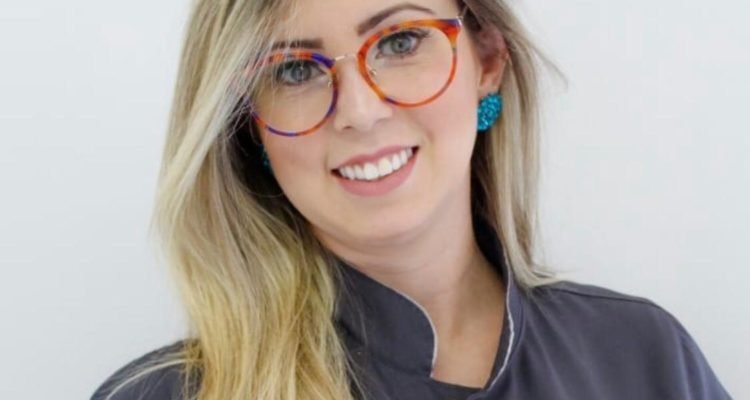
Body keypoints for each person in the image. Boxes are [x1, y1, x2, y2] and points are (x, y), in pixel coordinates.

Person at [91, 0, 732, 399]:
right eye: (295, 70)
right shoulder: (162, 397)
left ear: (487, 59)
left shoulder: (641, 357)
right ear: (247, 125)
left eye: (400, 42)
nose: (360, 111)